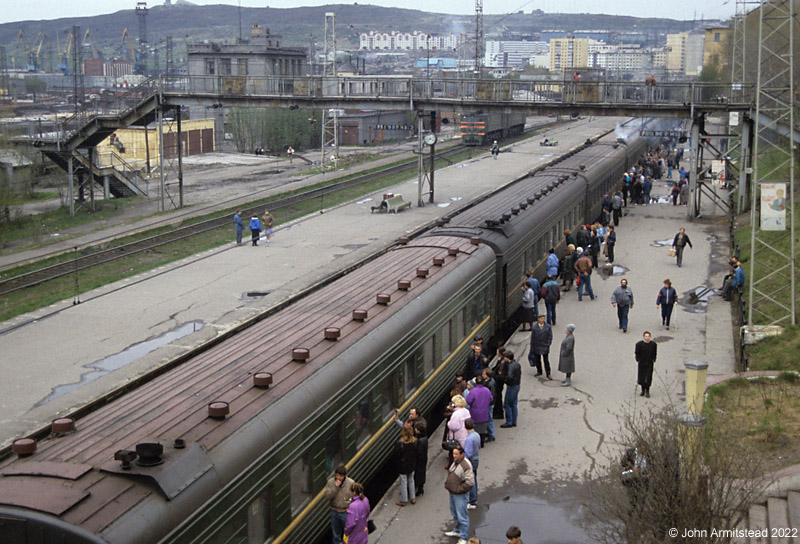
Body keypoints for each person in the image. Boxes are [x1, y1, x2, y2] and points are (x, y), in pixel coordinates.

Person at [444, 444, 474, 544]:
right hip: (453, 492)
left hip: (459, 494)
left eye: (456, 454)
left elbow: (470, 482)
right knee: (455, 514)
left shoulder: (466, 465)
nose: (454, 456)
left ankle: (464, 538)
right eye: (453, 454)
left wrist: (458, 489)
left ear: (462, 454)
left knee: (462, 516)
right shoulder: (456, 461)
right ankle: (457, 531)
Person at [325, 465, 354, 544]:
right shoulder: (331, 482)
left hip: (346, 512)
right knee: (336, 535)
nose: (339, 478)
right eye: (337, 475)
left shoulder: (350, 483)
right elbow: (327, 497)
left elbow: (354, 497)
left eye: (341, 476)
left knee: (348, 533)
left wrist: (351, 509)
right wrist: (335, 487)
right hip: (334, 511)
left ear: (344, 476)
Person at [465, 375, 493, 445]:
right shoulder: (487, 390)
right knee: (483, 429)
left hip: (475, 413)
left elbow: (468, 401)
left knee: (476, 429)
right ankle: (482, 442)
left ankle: (477, 443)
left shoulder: (473, 391)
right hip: (484, 412)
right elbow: (491, 399)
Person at [395, 424, 418, 506]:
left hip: (403, 466)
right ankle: (413, 498)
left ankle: (404, 500)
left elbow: (398, 455)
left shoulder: (400, 443)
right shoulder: (415, 441)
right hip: (412, 465)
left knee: (403, 482)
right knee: (411, 480)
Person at [464, 419, 481, 510]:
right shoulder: (476, 435)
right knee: (474, 478)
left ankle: (472, 501)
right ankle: (474, 498)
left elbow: (468, 453)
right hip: (476, 458)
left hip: (471, 460)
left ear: (465, 427)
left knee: (471, 481)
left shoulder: (469, 439)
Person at [500, 351, 521, 428]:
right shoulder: (516, 364)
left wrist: (505, 380)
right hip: (517, 385)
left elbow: (509, 376)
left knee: (507, 404)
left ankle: (509, 422)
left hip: (511, 386)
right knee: (514, 404)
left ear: (507, 358)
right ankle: (514, 421)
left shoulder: (510, 366)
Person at [529, 314, 553, 379]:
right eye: (541, 318)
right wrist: (532, 348)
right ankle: (539, 371)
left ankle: (548, 373)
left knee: (546, 360)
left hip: (544, 346)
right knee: (537, 360)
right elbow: (532, 338)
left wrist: (548, 344)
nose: (542, 320)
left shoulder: (548, 327)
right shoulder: (534, 328)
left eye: (543, 318)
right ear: (538, 319)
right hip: (537, 346)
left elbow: (550, 336)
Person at [635, 331, 657, 398]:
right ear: (643, 337)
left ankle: (647, 390)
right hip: (642, 363)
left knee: (648, 377)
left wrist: (653, 359)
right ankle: (643, 390)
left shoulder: (653, 344)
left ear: (650, 337)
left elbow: (654, 353)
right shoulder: (639, 344)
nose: (647, 338)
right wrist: (638, 359)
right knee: (642, 377)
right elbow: (637, 352)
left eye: (648, 336)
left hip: (649, 363)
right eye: (646, 336)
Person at [413, 419, 428, 496]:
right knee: (421, 472)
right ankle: (420, 487)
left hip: (419, 459)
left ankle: (420, 489)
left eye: (416, 429)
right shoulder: (424, 438)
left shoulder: (420, 440)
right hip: (423, 458)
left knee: (419, 473)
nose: (415, 430)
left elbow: (418, 451)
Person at [481, 368, 497, 442]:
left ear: (487, 375)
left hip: (489, 405)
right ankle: (489, 433)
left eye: (484, 374)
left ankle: (491, 436)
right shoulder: (488, 382)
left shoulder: (490, 384)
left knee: (489, 419)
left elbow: (492, 396)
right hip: (488, 404)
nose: (482, 375)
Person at [491, 348, 506, 420]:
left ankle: (499, 413)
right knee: (498, 397)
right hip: (498, 382)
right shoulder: (501, 360)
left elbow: (500, 376)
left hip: (498, 383)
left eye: (497, 351)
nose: (496, 352)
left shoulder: (502, 362)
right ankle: (498, 411)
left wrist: (493, 375)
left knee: (497, 397)